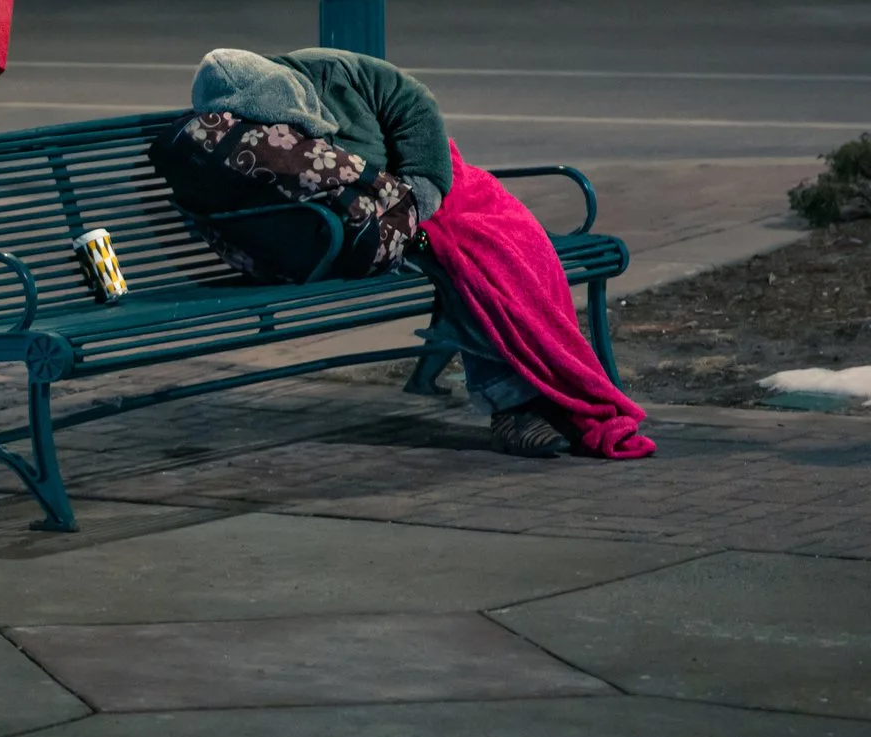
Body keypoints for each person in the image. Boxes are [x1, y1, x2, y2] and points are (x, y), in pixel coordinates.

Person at [151, 46, 580, 458]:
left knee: (491, 254)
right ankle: (515, 411)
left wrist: (421, 193)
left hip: (419, 191)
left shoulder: (331, 71)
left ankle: (548, 394)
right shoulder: (234, 143)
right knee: (464, 263)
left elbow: (414, 104)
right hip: (356, 235)